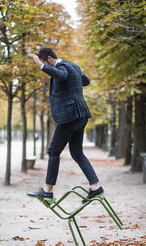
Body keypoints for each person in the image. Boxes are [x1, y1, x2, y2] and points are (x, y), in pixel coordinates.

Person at [27, 47, 103, 201]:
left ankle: (48, 190)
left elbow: (61, 75)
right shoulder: (73, 66)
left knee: (53, 151)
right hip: (81, 115)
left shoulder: (62, 68)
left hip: (70, 116)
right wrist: (76, 76)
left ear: (49, 59)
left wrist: (40, 65)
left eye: (44, 62)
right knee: (77, 153)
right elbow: (86, 81)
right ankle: (95, 186)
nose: (45, 65)